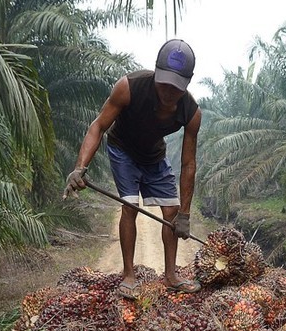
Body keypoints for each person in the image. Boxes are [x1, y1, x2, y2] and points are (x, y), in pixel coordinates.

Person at [64, 39, 202, 298]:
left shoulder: (191, 113)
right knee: (130, 205)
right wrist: (79, 167)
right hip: (123, 150)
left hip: (154, 155)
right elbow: (98, 126)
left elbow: (188, 163)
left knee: (171, 210)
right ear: (156, 71)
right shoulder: (129, 87)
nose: (168, 91)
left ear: (187, 82)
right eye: (164, 83)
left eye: (176, 87)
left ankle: (171, 275)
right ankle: (128, 274)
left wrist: (185, 214)